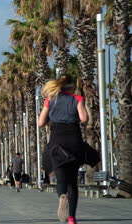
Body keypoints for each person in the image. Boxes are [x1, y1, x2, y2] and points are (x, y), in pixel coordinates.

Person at [39, 74, 88, 224]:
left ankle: (62, 196)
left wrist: (51, 118)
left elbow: (41, 122)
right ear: (72, 86)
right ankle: (72, 218)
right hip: (74, 138)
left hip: (57, 140)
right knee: (72, 180)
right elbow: (84, 119)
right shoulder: (77, 98)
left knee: (61, 177)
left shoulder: (50, 100)